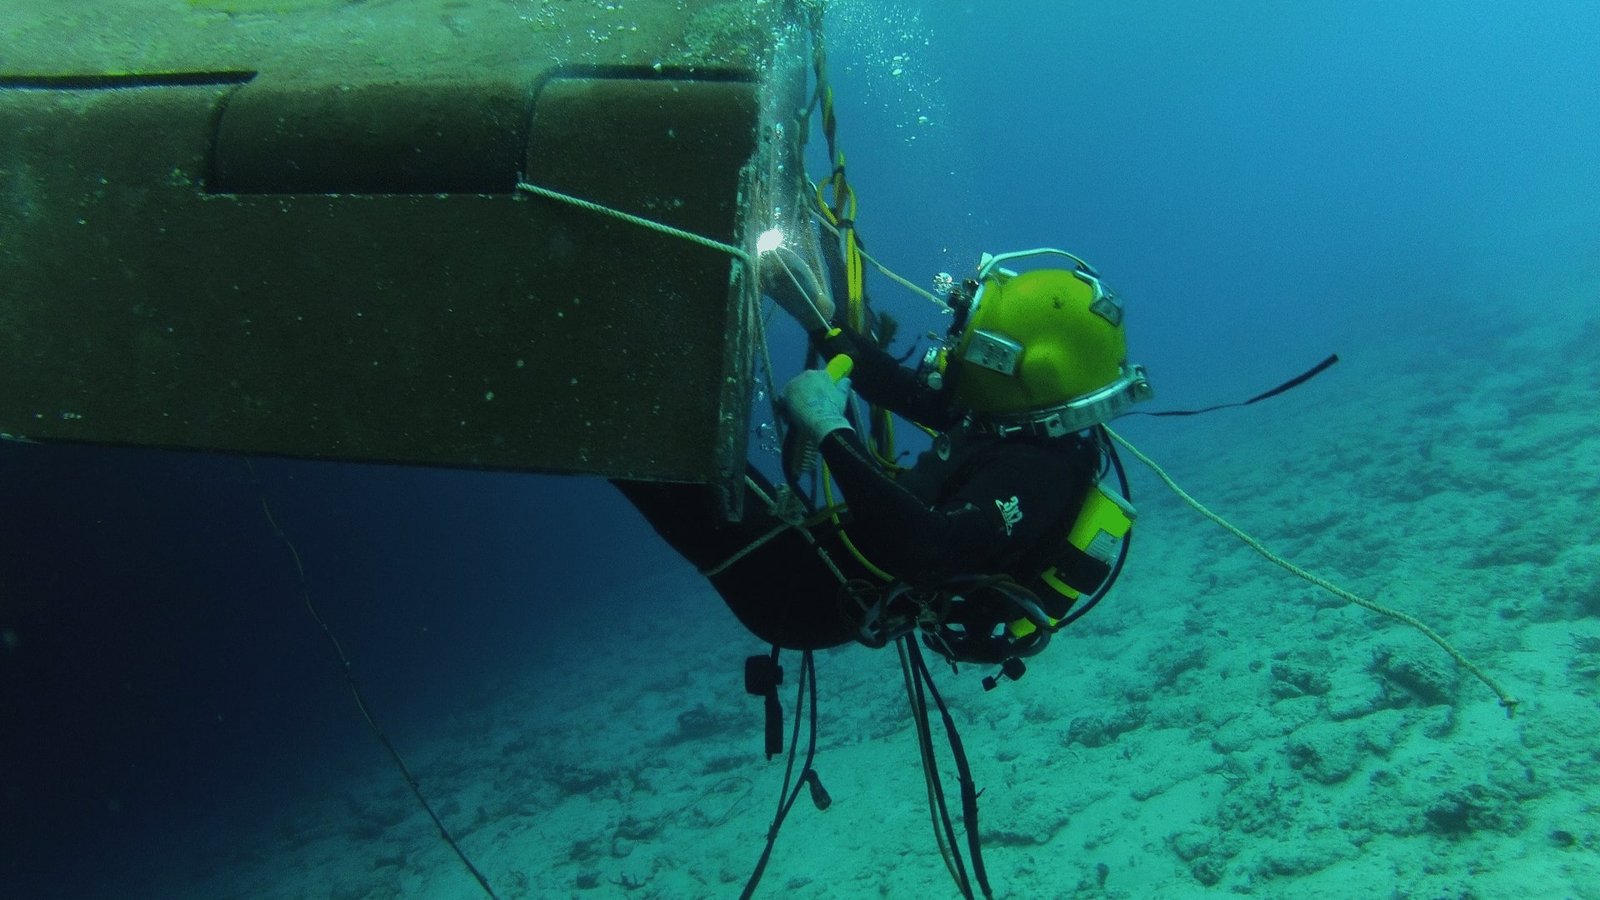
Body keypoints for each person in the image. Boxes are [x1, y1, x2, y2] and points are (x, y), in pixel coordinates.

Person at [616, 246, 1153, 670]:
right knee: (676, 451)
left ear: (1027, 369)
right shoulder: (1010, 409)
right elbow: (902, 390)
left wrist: (830, 431)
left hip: (807, 596)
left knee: (660, 455)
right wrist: (820, 319)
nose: (955, 351)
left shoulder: (1037, 474)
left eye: (977, 345)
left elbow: (928, 548)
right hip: (838, 551)